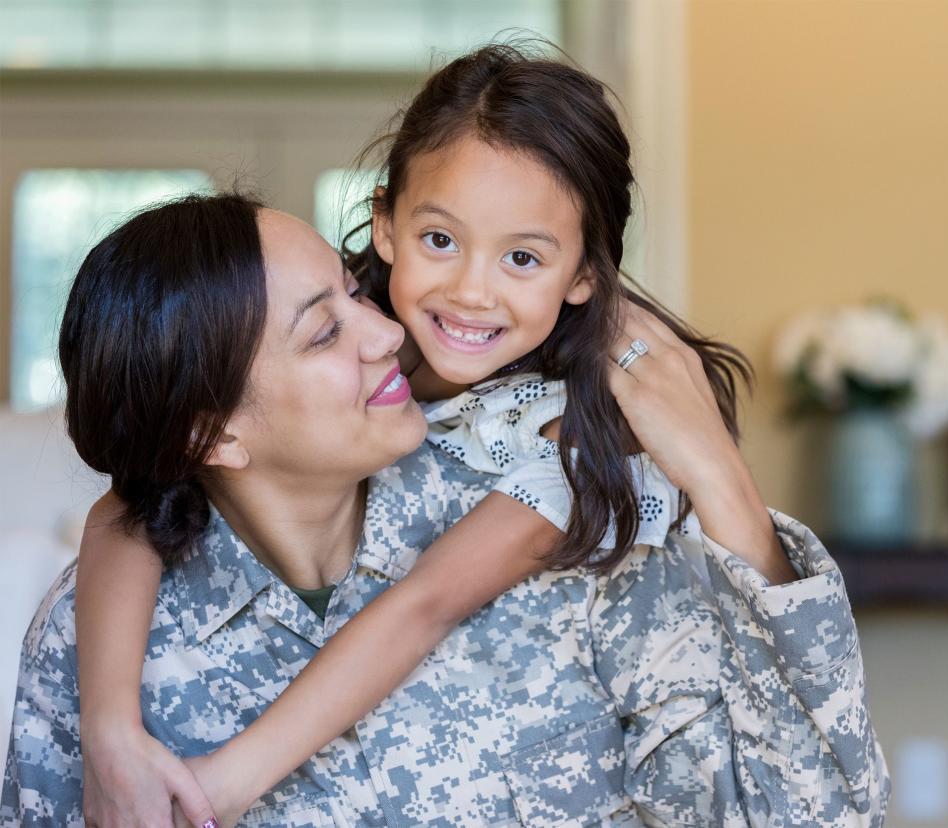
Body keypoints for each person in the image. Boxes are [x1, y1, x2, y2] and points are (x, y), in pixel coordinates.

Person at [6, 45, 889, 828]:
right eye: (327, 326)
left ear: (581, 276)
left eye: (523, 259)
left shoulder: (578, 492)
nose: (394, 327)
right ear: (385, 230)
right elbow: (134, 504)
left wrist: (723, 478)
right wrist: (112, 726)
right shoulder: (110, 632)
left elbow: (425, 602)